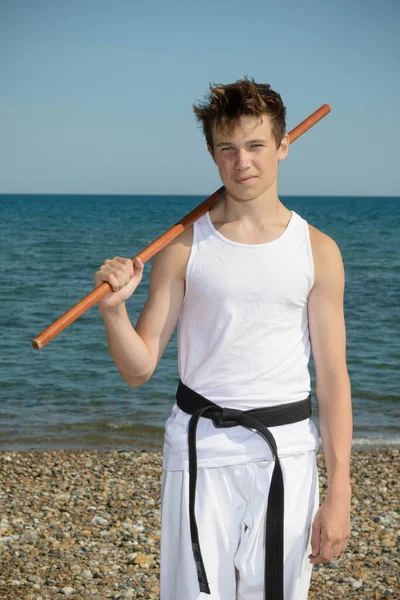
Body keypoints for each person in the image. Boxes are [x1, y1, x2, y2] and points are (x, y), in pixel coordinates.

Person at [94, 78, 352, 600]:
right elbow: (138, 368)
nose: (243, 163)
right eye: (228, 149)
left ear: (283, 145)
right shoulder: (184, 248)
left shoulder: (318, 250)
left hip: (287, 455)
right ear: (212, 153)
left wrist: (340, 489)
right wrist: (114, 311)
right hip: (199, 453)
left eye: (256, 146)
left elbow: (332, 378)